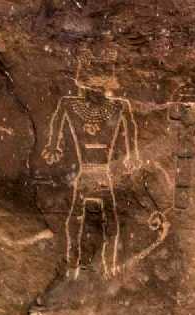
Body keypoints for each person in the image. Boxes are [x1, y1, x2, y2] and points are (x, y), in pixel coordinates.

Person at [42, 47, 139, 279]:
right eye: (91, 87)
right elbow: (57, 119)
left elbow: (130, 127)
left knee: (108, 223)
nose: (95, 93)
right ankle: (74, 264)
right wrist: (53, 145)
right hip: (86, 173)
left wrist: (132, 154)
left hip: (102, 173)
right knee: (77, 220)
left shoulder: (118, 106)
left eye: (98, 88)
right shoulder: (70, 104)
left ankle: (107, 266)